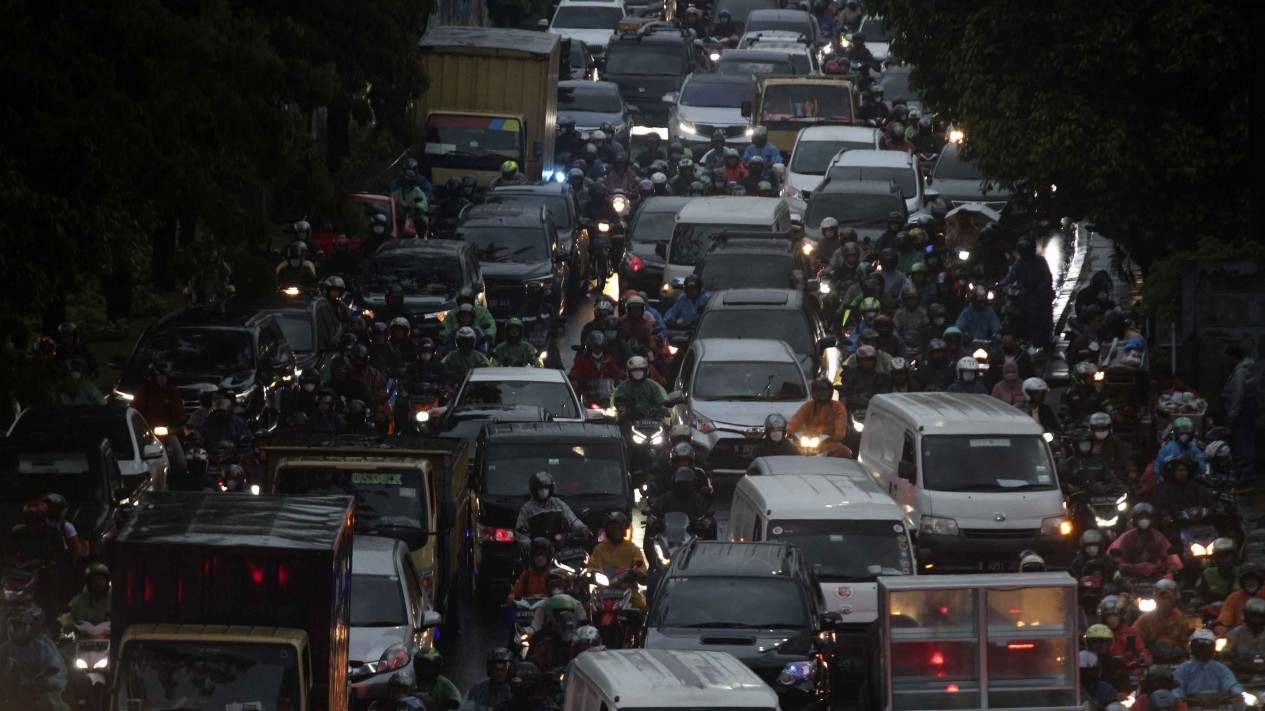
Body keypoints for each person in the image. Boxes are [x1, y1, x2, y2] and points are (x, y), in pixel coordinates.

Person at [0, 604, 68, 711]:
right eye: (14, 625)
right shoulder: (4, 649)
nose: (16, 630)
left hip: (36, 695)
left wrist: (47, 683)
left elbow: (57, 670)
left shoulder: (42, 648)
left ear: (30, 627)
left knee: (52, 706)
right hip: (8, 694)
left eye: (20, 626)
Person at [997, 237, 1055, 349]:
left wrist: (1039, 289)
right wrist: (1000, 285)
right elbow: (1011, 276)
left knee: (1041, 314)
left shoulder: (1040, 261)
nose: (1024, 255)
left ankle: (1045, 339)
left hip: (1038, 296)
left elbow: (1047, 278)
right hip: (1023, 295)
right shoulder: (1020, 262)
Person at [587, 512, 648, 612]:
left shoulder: (632, 548)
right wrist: (587, 573)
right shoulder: (599, 549)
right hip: (603, 592)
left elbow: (640, 568)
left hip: (627, 591)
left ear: (624, 530)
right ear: (607, 531)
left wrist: (638, 574)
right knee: (587, 608)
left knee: (640, 608)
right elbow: (590, 567)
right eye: (612, 528)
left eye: (618, 528)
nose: (615, 531)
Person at [514, 472, 589, 550]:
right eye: (540, 488)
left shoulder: (557, 503)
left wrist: (582, 528)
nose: (543, 491)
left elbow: (572, 519)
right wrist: (530, 545)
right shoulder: (527, 509)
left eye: (546, 487)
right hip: (537, 551)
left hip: (558, 546)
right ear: (534, 489)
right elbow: (521, 533)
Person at [1173, 629, 1245, 710]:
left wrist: (1237, 693)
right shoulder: (1184, 668)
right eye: (1199, 647)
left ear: (1212, 649)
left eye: (1206, 647)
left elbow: (1231, 682)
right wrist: (1178, 698)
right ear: (1193, 648)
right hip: (1193, 707)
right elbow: (1177, 686)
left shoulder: (1220, 668)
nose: (1203, 651)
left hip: (1218, 707)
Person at [1108, 503, 1182, 575]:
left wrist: (1172, 565)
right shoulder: (1127, 537)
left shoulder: (1158, 537)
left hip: (1156, 576)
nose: (1144, 520)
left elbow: (1169, 554)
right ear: (1134, 519)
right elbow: (1117, 555)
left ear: (1152, 519)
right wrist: (1119, 565)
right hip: (1131, 576)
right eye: (1141, 517)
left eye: (1147, 517)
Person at [789, 377, 852, 458]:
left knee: (845, 452)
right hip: (807, 441)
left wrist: (837, 436)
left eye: (824, 391)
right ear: (813, 392)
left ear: (830, 392)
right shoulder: (808, 406)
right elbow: (796, 419)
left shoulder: (838, 407)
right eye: (818, 391)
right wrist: (788, 431)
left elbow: (841, 423)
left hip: (829, 443)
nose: (822, 393)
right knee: (786, 449)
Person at [1222, 344, 1259, 480]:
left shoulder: (1240, 373)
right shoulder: (1246, 370)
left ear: (1233, 357)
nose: (1226, 360)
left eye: (1227, 357)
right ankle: (1245, 472)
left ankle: (1245, 474)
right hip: (1246, 413)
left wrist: (1232, 415)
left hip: (1242, 415)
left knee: (1243, 444)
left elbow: (1238, 395)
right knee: (1245, 443)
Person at [651, 468, 713, 537]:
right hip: (667, 536)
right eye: (681, 483)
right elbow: (656, 511)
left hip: (691, 535)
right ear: (676, 483)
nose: (683, 486)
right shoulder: (667, 497)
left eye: (687, 483)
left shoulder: (698, 499)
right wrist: (652, 518)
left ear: (692, 483)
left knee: (711, 526)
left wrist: (705, 521)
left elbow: (704, 514)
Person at [1098, 595, 1151, 675]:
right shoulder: (1098, 633)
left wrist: (1145, 655)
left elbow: (1141, 649)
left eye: (1115, 615)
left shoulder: (1131, 632)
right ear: (1104, 618)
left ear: (1121, 616)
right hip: (1105, 671)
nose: (1112, 619)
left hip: (1127, 670)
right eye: (1108, 616)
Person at [1135, 579, 1193, 649]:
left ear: (1174, 600)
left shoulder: (1181, 620)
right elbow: (1136, 636)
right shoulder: (1145, 619)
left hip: (1174, 656)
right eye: (1162, 598)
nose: (1165, 601)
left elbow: (1187, 641)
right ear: (1157, 598)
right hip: (1152, 655)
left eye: (1168, 598)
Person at [131, 361, 185, 431]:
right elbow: (136, 409)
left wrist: (176, 424)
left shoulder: (171, 390)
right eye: (160, 375)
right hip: (146, 429)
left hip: (167, 430)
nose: (163, 378)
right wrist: (140, 425)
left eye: (164, 375)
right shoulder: (144, 390)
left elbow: (178, 409)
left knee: (175, 442)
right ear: (153, 376)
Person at [1060, 362, 1117, 428]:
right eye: (1089, 377)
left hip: (1097, 425)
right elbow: (1064, 411)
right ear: (1080, 378)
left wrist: (1114, 414)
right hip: (1077, 427)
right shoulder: (1068, 393)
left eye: (1092, 377)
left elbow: (1106, 404)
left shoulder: (1097, 392)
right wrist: (1069, 421)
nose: (1092, 379)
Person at [612, 356, 668, 421]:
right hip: (629, 419)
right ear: (628, 372)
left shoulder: (652, 386)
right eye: (634, 372)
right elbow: (619, 400)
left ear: (646, 371)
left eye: (640, 372)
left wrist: (662, 410)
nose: (637, 374)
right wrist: (622, 407)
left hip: (651, 419)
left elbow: (660, 402)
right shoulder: (623, 386)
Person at [1154, 416, 1207, 481]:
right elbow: (1158, 467)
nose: (1184, 434)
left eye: (1187, 431)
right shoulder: (1167, 448)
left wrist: (1195, 462)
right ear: (1176, 432)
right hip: (1171, 484)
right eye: (1181, 431)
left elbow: (1202, 468)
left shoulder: (1194, 448)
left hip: (1190, 483)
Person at [1217, 563, 1265, 635]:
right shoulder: (1234, 598)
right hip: (1240, 637)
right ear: (1242, 582)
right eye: (1247, 580)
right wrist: (1221, 627)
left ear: (1260, 582)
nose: (1251, 583)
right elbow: (1225, 617)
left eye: (1254, 580)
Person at [1194, 537, 1240, 606]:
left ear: (1234, 556)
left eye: (1227, 556)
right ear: (1215, 559)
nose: (1224, 560)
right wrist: (1194, 605)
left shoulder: (1242, 573)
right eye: (1220, 556)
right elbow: (1197, 595)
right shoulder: (1208, 573)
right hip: (1213, 613)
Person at [65, 562, 111, 628]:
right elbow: (68, 620)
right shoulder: (78, 601)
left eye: (101, 579)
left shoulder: (114, 600)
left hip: (109, 636)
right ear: (89, 582)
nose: (98, 583)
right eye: (94, 580)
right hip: (83, 636)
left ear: (106, 581)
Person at [509, 538, 555, 602]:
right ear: (532, 556)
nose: (540, 557)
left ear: (549, 556)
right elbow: (514, 592)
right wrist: (511, 597)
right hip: (529, 609)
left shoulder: (554, 575)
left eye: (543, 554)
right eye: (537, 553)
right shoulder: (526, 575)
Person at [1225, 597, 1265, 665]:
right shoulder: (1236, 633)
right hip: (1240, 672)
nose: (1257, 619)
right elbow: (1224, 653)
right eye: (1253, 615)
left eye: (1260, 616)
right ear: (1246, 615)